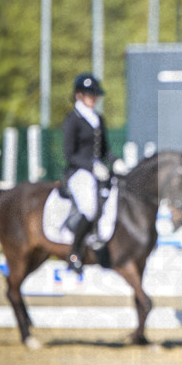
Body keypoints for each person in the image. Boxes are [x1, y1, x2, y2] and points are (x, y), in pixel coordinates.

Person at [61, 73, 115, 273]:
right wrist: (92, 167)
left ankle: (100, 241)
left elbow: (105, 150)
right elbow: (69, 153)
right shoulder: (72, 119)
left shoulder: (98, 118)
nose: (94, 98)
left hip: (98, 170)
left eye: (95, 94)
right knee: (90, 207)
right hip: (79, 172)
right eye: (89, 94)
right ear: (79, 96)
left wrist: (116, 162)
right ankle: (74, 252)